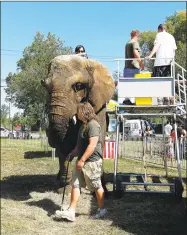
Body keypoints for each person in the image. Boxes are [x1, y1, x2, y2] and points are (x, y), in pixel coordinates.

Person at [55, 102, 107, 221]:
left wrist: (82, 160)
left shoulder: (93, 125)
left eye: (78, 111)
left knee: (96, 185)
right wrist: (73, 154)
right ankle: (71, 211)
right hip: (81, 161)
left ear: (84, 112)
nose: (76, 114)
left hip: (91, 162)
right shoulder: (83, 126)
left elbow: (92, 145)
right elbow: (80, 146)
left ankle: (102, 210)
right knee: (76, 184)